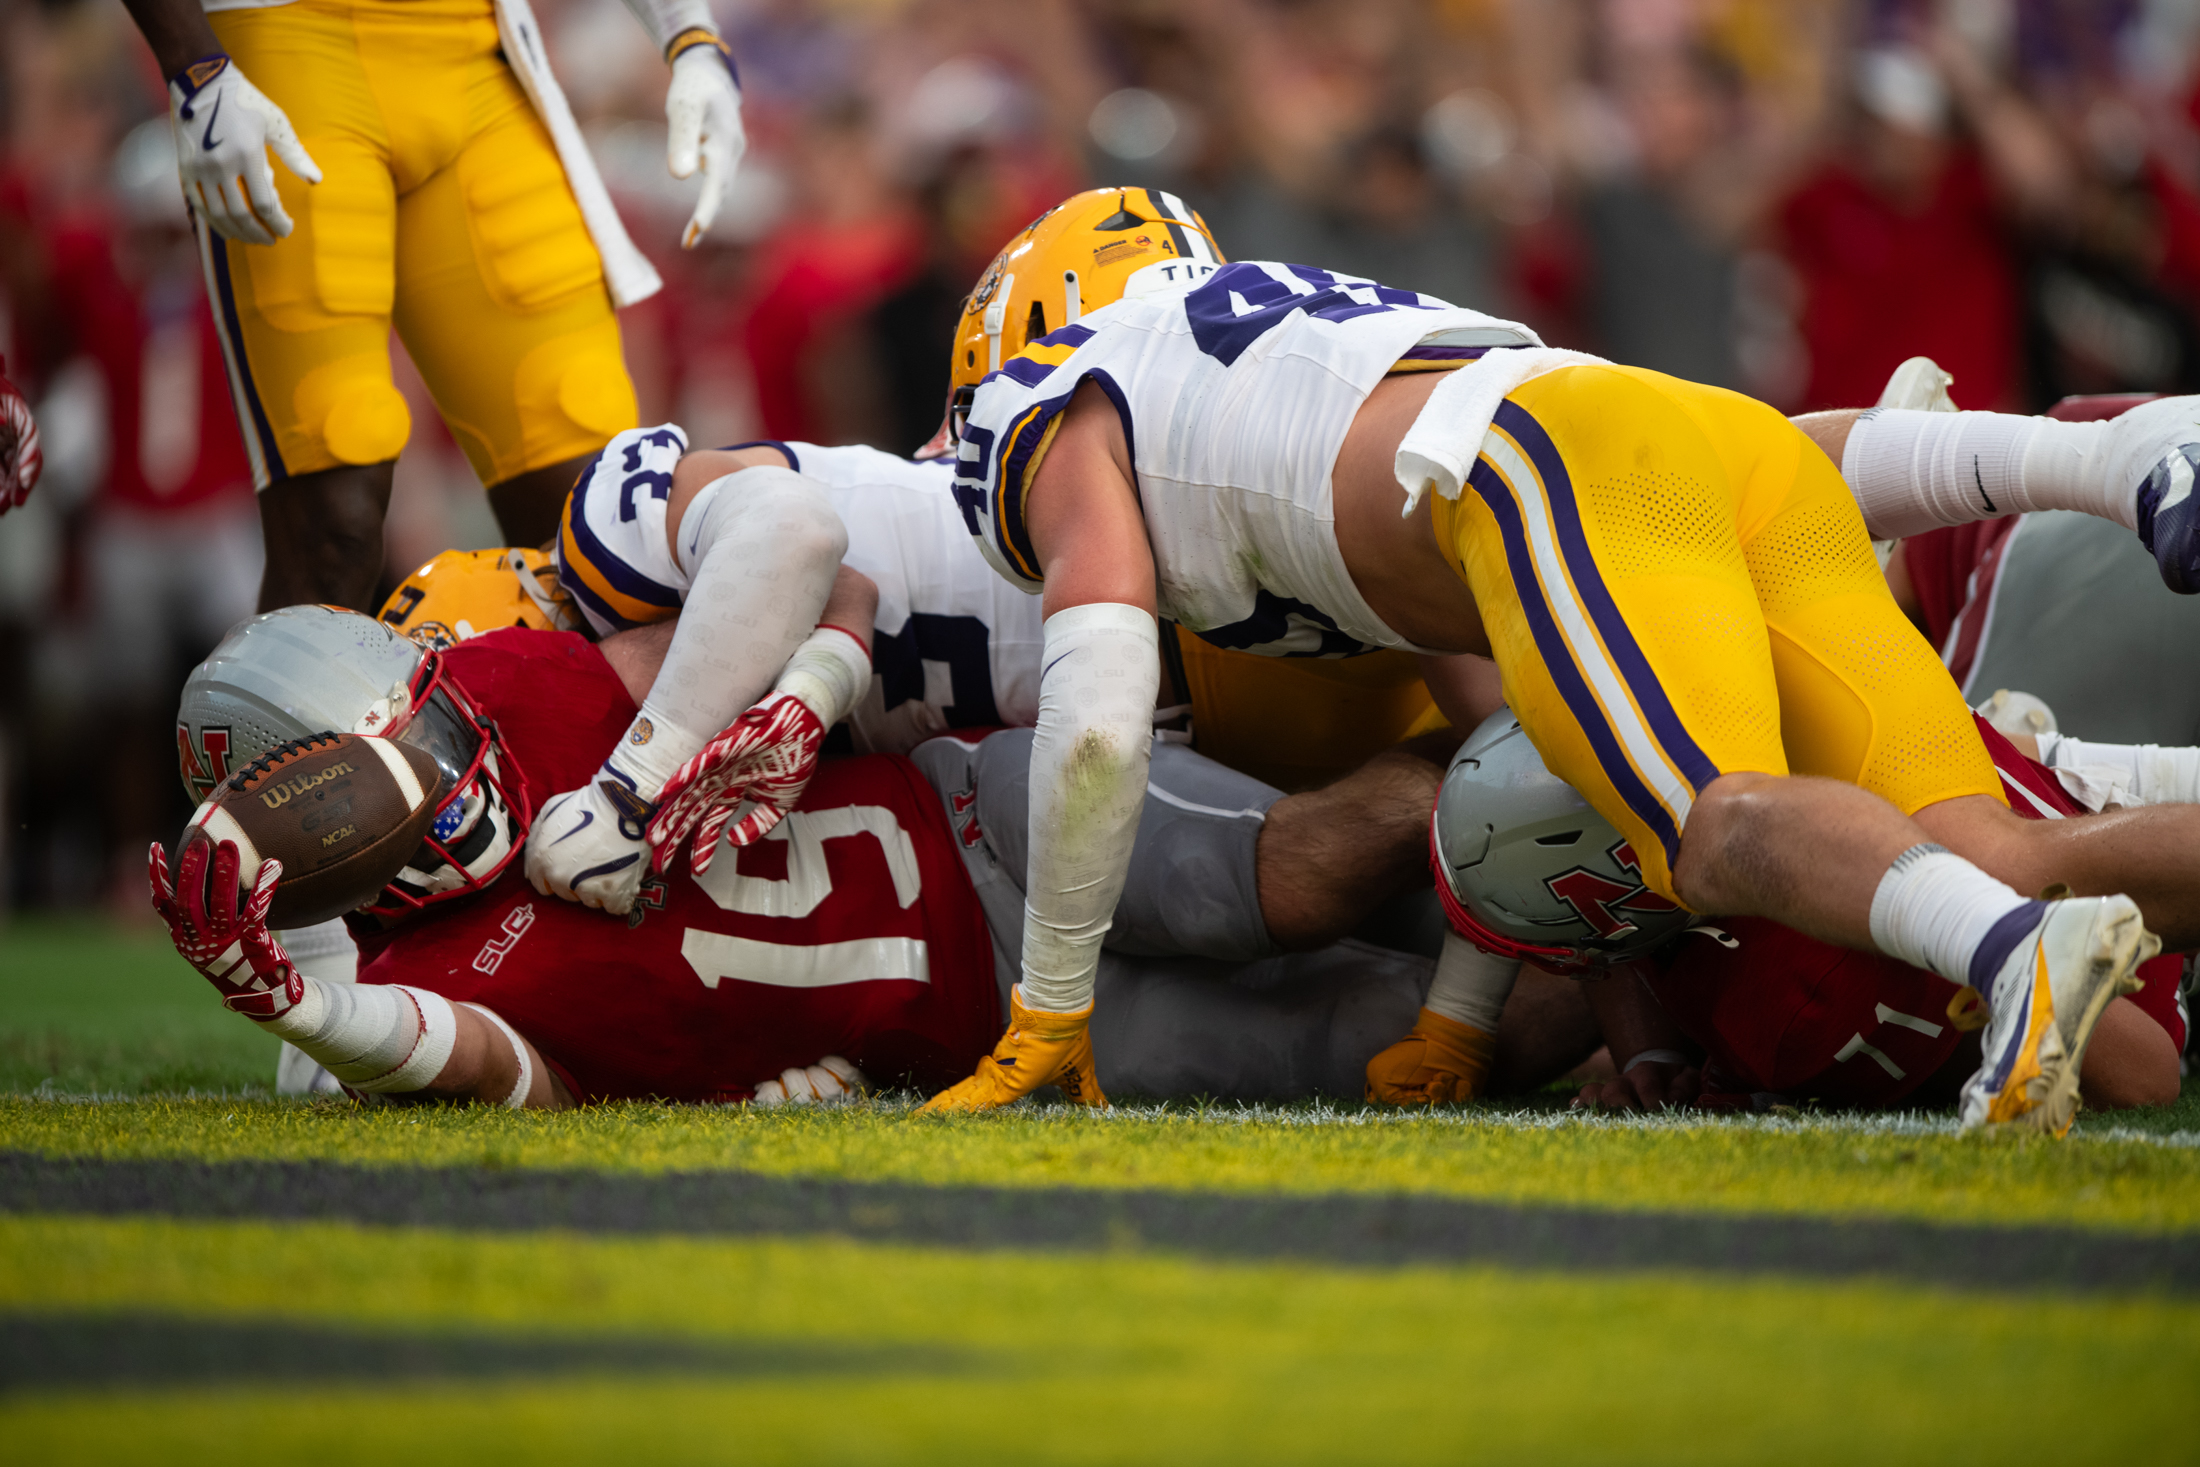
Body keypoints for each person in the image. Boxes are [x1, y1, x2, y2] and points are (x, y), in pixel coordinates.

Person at [934, 186, 2200, 1135]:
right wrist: (1457, 1023)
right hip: (1673, 434)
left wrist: (1051, 1004)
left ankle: (2010, 957)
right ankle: (2101, 465)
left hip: (1545, 465)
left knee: (1718, 826)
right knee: (1983, 850)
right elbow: (1518, 748)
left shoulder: (1038, 402)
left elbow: (1096, 723)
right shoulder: (1269, 373)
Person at [155, 604, 1474, 1108]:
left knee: (1299, 870)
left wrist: (777, 702)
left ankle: (1547, 797)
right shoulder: (408, 992)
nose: (460, 767)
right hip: (997, 1027)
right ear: (316, 840)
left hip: (974, 814)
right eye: (398, 777)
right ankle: (1620, 982)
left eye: (439, 718)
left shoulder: (525, 684)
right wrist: (304, 995)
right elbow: (486, 1071)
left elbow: (792, 565)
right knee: (1413, 1047)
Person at [114, 0, 746, 609]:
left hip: (478, 55)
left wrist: (691, 35)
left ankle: (585, 720)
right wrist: (195, 65)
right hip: (284, 43)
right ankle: (286, 721)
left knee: (601, 519)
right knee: (334, 525)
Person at [1414, 707, 2188, 1118]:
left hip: (2149, 962)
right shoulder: (1681, 710)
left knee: (1997, 865)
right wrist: (1649, 1059)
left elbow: (2142, 1069)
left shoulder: (1789, 1001)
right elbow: (1623, 931)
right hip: (1987, 761)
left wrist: (1733, 1085)